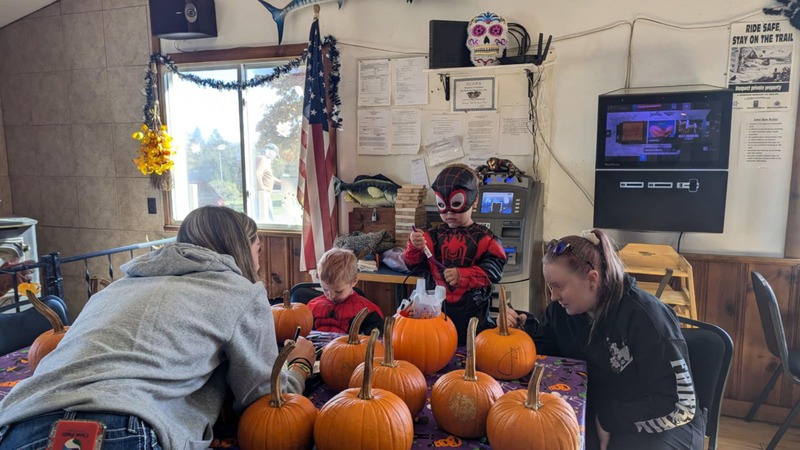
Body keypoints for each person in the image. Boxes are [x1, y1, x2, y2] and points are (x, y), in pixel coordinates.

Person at [0, 206, 316, 450]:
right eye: (258, 252)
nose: (258, 264)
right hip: (122, 421)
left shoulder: (118, 287)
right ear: (243, 249)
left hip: (21, 420)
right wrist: (300, 365)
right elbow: (263, 395)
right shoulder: (240, 291)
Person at [507, 229, 705, 450]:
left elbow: (680, 405)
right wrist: (520, 328)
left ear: (592, 279)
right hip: (600, 409)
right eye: (550, 287)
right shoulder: (561, 311)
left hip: (663, 421)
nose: (553, 296)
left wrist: (609, 420)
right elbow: (550, 351)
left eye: (559, 286)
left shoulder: (646, 317)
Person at [404, 164, 506, 345]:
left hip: (474, 315)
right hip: (437, 314)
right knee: (436, 349)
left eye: (456, 204)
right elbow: (412, 265)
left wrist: (463, 275)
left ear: (475, 200)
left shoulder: (486, 239)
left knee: (473, 351)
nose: (449, 212)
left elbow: (493, 271)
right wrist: (414, 246)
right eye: (442, 205)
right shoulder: (431, 236)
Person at [308, 247, 384, 335]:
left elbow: (374, 339)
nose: (331, 296)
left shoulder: (369, 312)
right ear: (318, 277)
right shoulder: (312, 307)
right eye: (325, 289)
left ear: (354, 281)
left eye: (338, 291)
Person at [255, 143, 282, 222]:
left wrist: (283, 183)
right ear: (270, 152)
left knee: (269, 218)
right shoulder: (263, 160)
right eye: (275, 155)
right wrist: (262, 189)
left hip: (265, 195)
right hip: (263, 195)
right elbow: (258, 174)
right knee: (269, 219)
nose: (274, 158)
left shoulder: (264, 161)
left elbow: (269, 177)